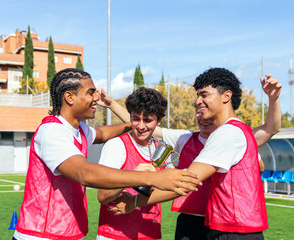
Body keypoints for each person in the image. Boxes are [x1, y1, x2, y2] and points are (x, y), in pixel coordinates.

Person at [13, 68, 200, 240]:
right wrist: (144, 178)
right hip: (40, 234)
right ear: (69, 97)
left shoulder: (79, 130)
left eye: (148, 120)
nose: (96, 97)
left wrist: (133, 124)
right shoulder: (52, 131)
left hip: (68, 233)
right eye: (90, 92)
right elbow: (84, 173)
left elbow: (102, 133)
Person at [100, 73, 281, 239]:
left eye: (204, 96)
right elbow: (145, 123)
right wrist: (112, 105)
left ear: (226, 97)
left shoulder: (230, 135)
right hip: (201, 222)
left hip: (231, 225)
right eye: (198, 109)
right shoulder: (187, 138)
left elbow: (187, 181)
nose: (198, 104)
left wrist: (139, 190)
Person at [97, 87, 170, 240]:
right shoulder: (116, 146)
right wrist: (132, 177)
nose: (141, 126)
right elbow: (103, 196)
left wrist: (135, 201)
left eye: (148, 120)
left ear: (159, 121)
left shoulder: (164, 150)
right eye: (136, 118)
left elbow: (174, 189)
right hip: (114, 234)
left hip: (151, 233)